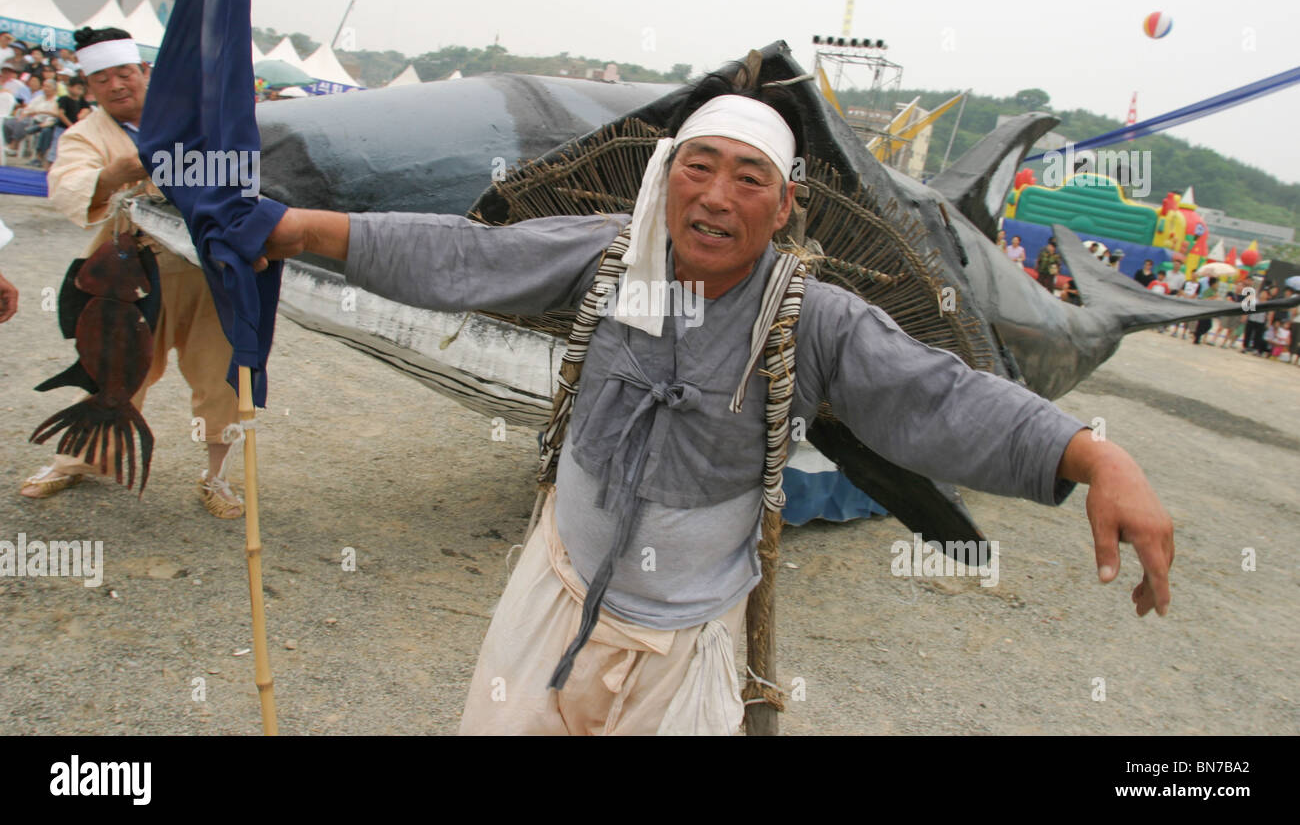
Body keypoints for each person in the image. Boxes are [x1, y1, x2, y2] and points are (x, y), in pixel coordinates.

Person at [262, 68, 1175, 735]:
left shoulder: (813, 322)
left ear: (781, 210)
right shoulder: (607, 260)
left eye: (750, 178)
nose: (716, 195)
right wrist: (302, 226)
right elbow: (464, 257)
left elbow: (941, 399)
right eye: (699, 167)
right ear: (666, 177)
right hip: (553, 593)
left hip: (687, 644)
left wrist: (1096, 455)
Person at [19, 27, 245, 519]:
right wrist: (121, 170)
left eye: (125, 72)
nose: (117, 84)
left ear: (145, 72)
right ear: (89, 86)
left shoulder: (196, 118)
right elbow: (69, 186)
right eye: (102, 78)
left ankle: (217, 476)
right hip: (130, 274)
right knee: (114, 368)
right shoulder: (86, 134)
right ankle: (78, 460)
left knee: (221, 375)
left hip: (209, 271)